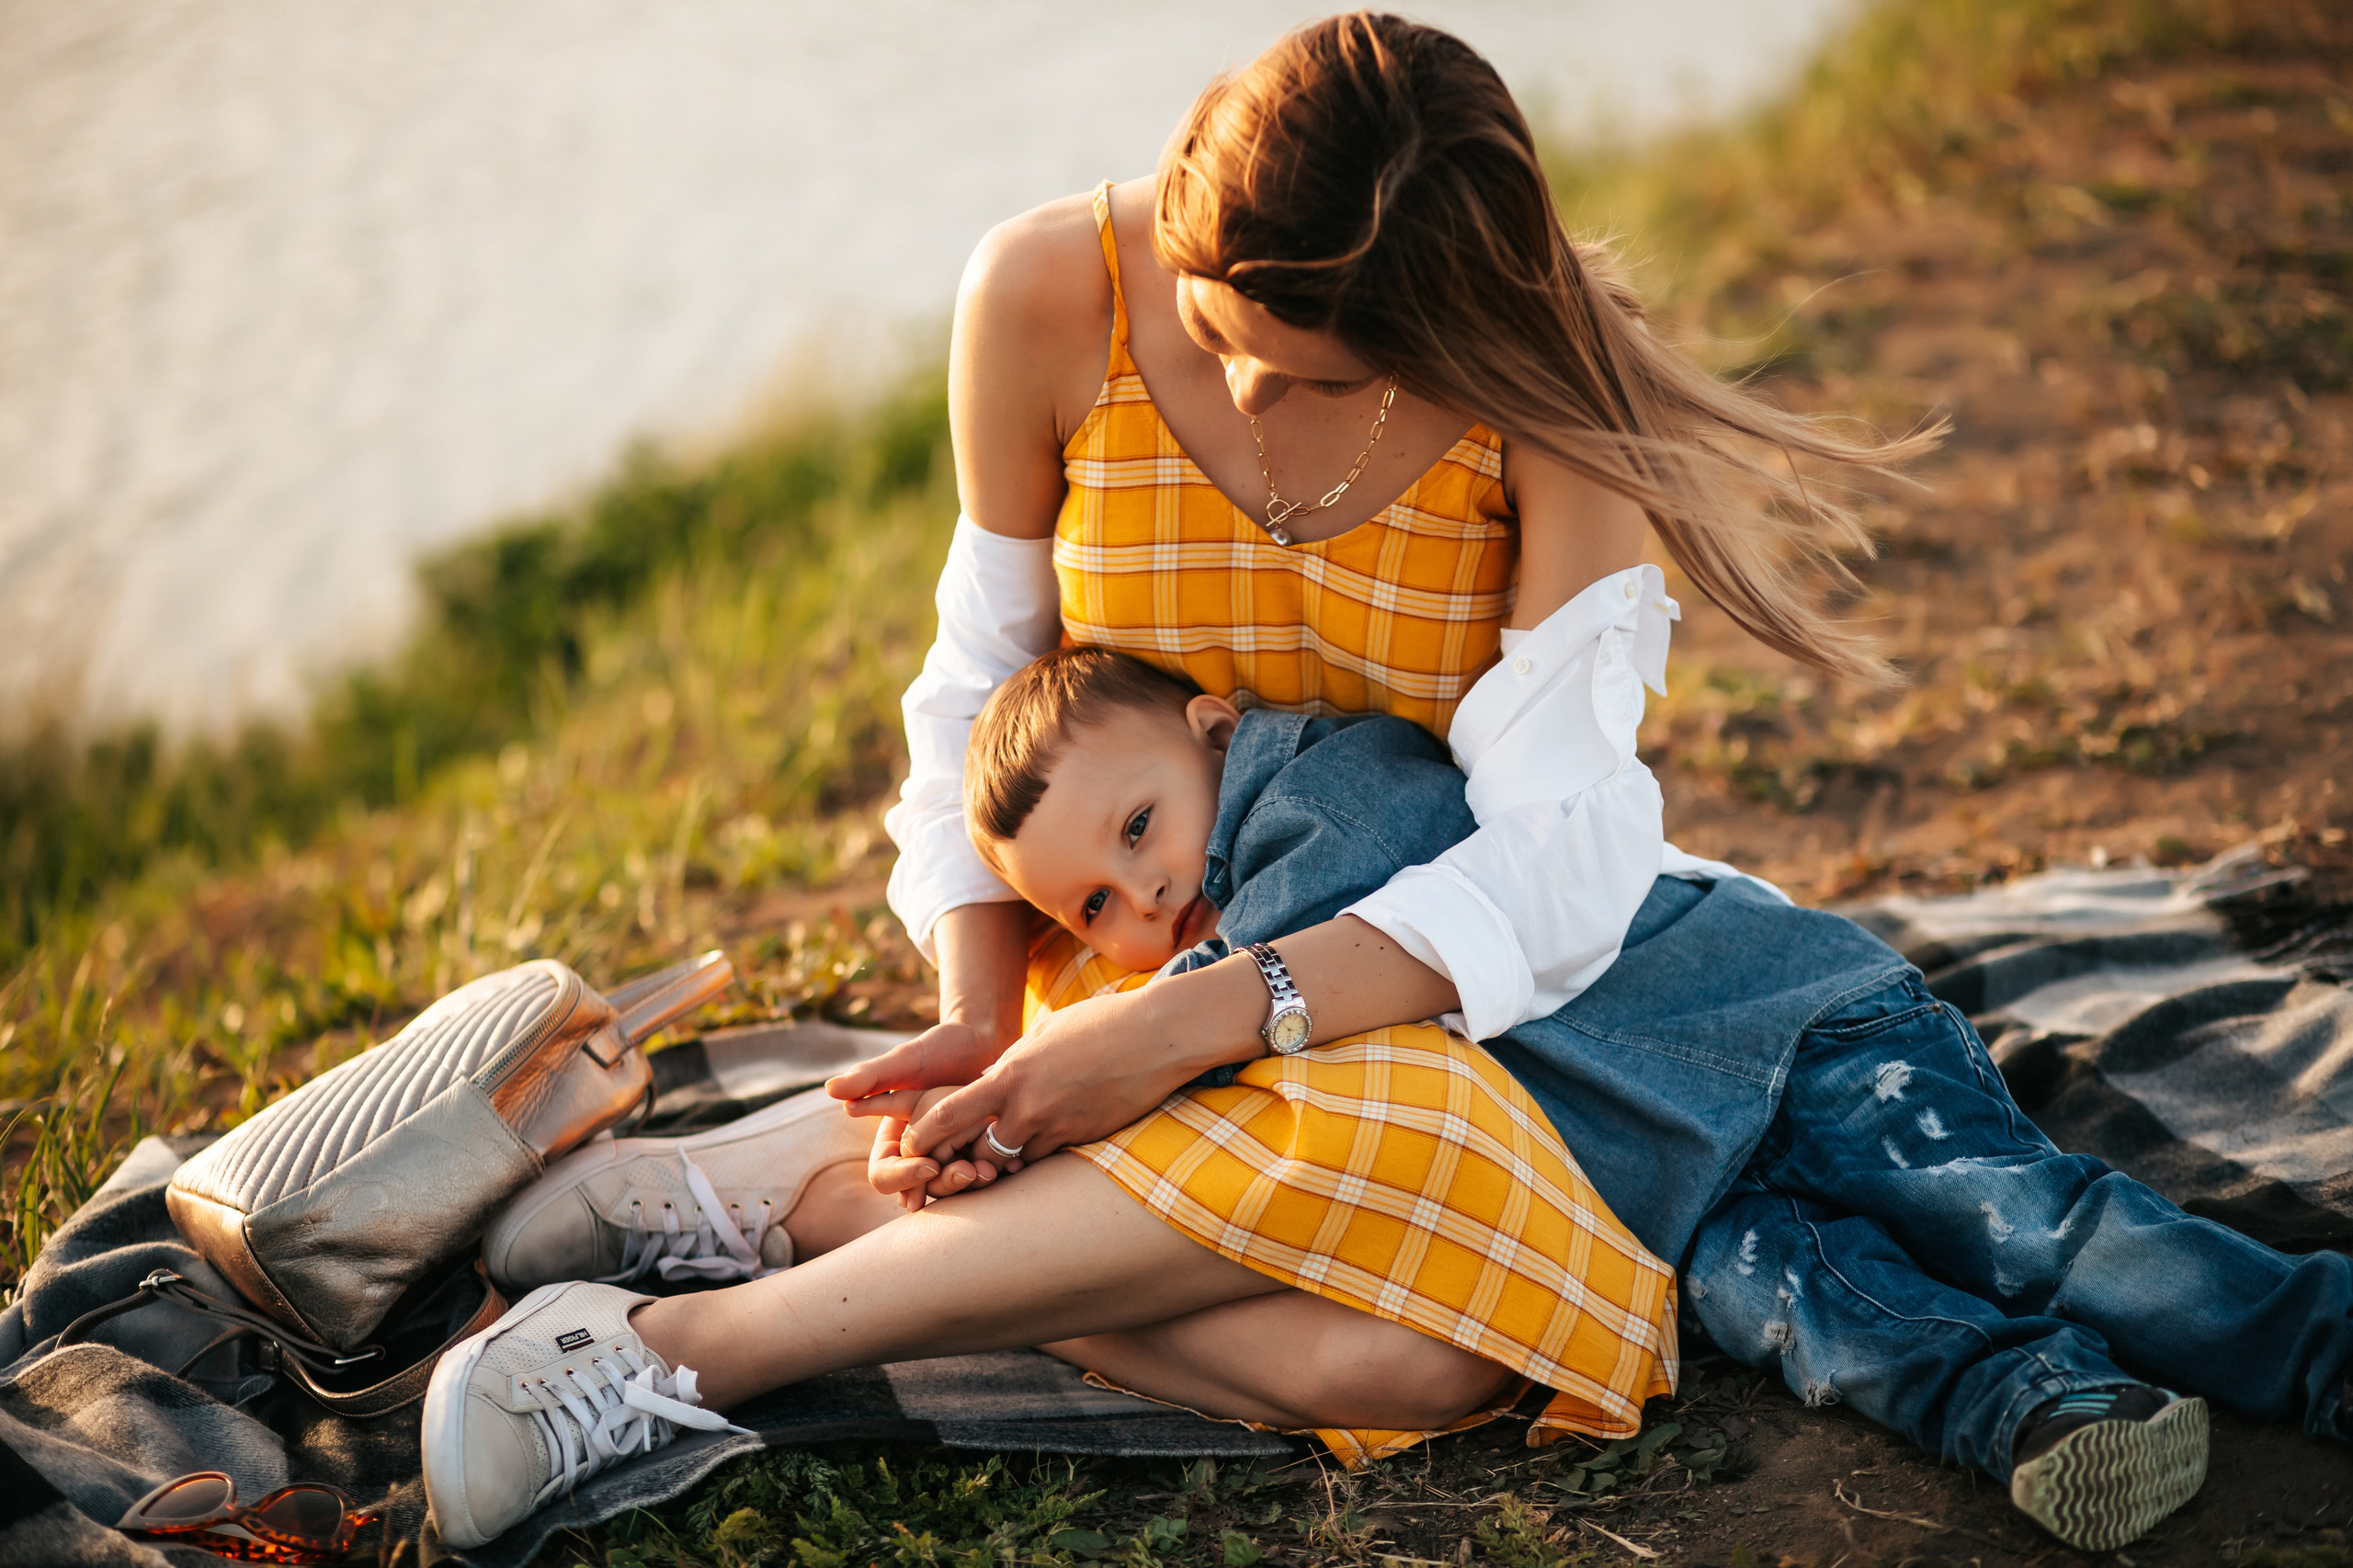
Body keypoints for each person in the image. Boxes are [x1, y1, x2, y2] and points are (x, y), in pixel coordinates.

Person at [421, 11, 1939, 1548]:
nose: (1258, 407)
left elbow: (1555, 849)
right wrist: (984, 1013)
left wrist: (1199, 1024)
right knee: (1391, 1259)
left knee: (1432, 1357)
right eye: (1223, 340)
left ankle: (810, 1201)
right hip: (1129, 952)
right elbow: (977, 698)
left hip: (1392, 974)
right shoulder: (1041, 292)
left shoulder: (1541, 398)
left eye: (1315, 372)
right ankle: (670, 1352)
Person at [944, 643, 2353, 1552]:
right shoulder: (1204, 945)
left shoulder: (1324, 785)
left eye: (1141, 828)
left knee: (2022, 1222)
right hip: (1666, 1179)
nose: (1144, 893)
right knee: (1815, 1313)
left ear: (1212, 729)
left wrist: (1120, 1039)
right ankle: (2045, 1408)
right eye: (1094, 905)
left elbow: (1277, 951)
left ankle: (2315, 1341)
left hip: (1793, 1030)